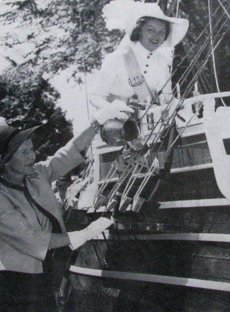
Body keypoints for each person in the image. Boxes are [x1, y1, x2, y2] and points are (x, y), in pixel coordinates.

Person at [0, 101, 132, 311]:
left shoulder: (35, 175)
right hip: (15, 284)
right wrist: (84, 234)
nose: (32, 156)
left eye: (32, 150)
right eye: (24, 153)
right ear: (5, 161)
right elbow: (31, 239)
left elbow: (68, 153)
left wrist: (96, 123)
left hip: (45, 275)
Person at [91, 2, 189, 110]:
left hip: (149, 123)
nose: (156, 36)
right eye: (150, 30)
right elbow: (95, 97)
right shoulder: (118, 58)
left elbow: (167, 98)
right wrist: (112, 110)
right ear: (139, 30)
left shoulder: (162, 62)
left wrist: (187, 104)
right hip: (115, 123)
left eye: (162, 32)